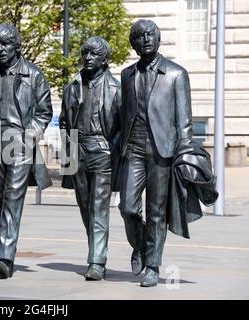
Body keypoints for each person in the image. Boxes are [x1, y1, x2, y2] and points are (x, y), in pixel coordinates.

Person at [0, 23, 53, 279]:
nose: (0, 49)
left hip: (20, 143)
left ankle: (4, 257)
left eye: (5, 44)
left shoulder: (34, 75)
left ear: (16, 45)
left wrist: (30, 134)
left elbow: (44, 112)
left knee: (12, 198)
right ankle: (7, 246)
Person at [118, 19, 193, 287]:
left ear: (159, 39)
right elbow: (122, 113)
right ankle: (139, 245)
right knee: (127, 207)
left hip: (163, 150)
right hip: (134, 147)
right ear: (134, 43)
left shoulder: (176, 74)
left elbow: (184, 122)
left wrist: (184, 154)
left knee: (157, 211)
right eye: (140, 35)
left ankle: (152, 264)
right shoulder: (126, 75)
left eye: (151, 34)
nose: (146, 38)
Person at [59, 36, 121, 281]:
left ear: (105, 60)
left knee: (98, 207)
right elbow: (65, 119)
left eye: (94, 54)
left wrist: (110, 148)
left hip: (102, 150)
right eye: (85, 53)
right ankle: (96, 249)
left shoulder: (116, 88)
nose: (87, 58)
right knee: (85, 207)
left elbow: (121, 125)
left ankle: (97, 261)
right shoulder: (72, 86)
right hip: (77, 149)